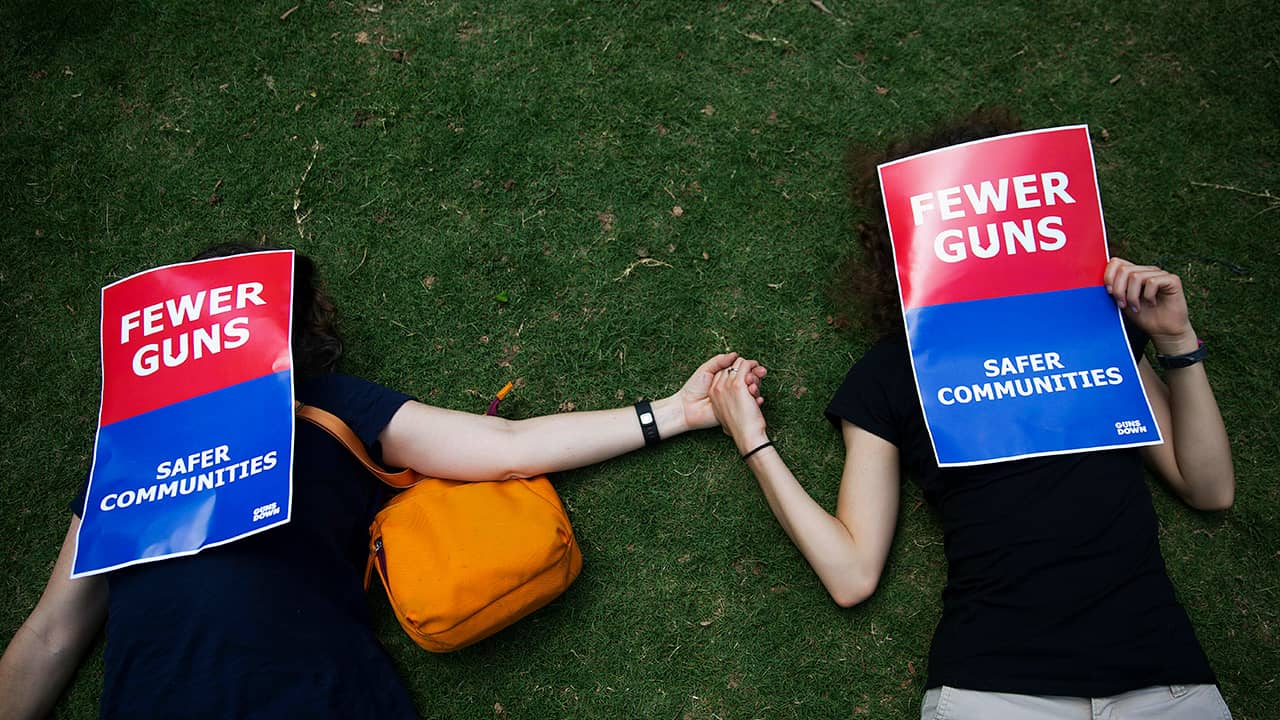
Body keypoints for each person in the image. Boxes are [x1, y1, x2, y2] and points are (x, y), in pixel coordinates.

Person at [0, 244, 767, 720]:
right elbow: (50, 631)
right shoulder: (130, 452)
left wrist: (672, 412)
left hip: (313, 700)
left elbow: (503, 446)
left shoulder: (328, 409)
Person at [707, 111, 1236, 719]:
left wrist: (1175, 342)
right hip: (994, 693)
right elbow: (851, 574)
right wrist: (753, 442)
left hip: (1165, 686)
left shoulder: (1099, 333)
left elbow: (1210, 487)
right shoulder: (893, 373)